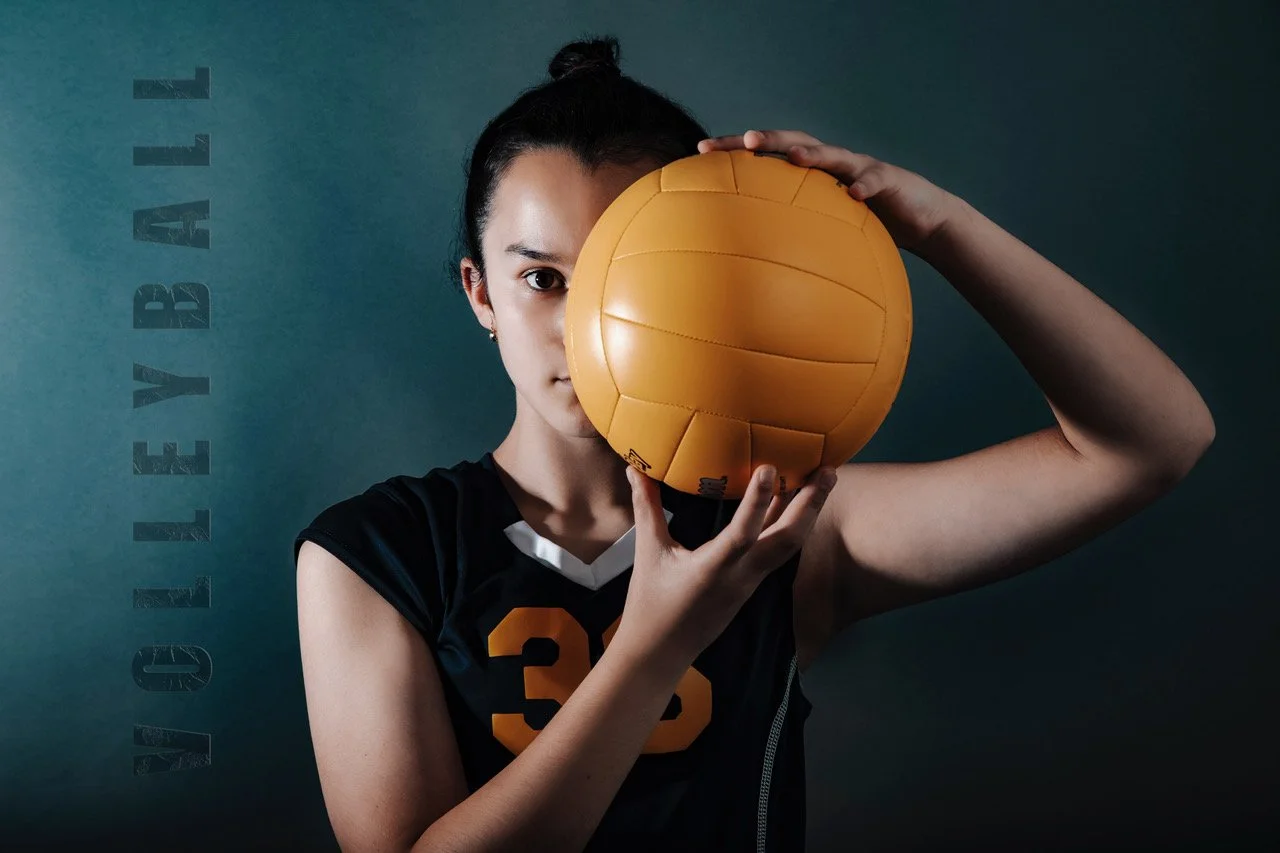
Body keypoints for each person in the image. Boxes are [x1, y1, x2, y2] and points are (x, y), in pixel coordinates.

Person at [292, 35, 1215, 853]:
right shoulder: (373, 555)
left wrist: (938, 227)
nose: (586, 328)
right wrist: (656, 645)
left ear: (709, 272)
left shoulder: (780, 526)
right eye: (541, 278)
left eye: (626, 273)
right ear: (479, 293)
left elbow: (1152, 441)